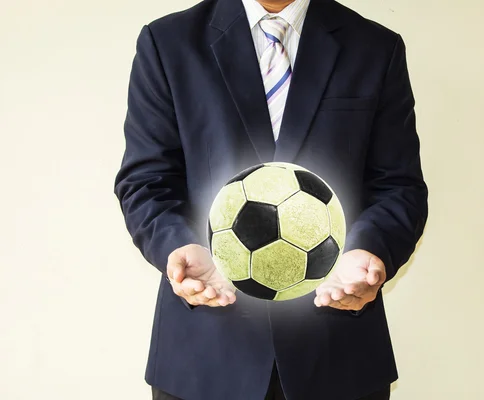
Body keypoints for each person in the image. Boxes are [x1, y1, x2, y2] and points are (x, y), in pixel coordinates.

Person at [114, 0, 428, 398]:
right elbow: (145, 181)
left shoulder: (375, 47)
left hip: (338, 355)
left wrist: (370, 252)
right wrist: (178, 247)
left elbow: (399, 186)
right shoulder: (168, 43)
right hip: (205, 358)